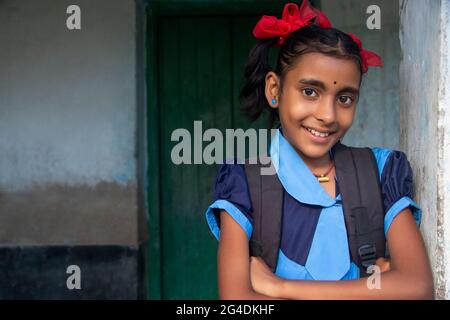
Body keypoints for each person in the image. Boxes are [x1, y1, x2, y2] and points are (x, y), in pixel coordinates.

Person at [204, 0, 433, 300]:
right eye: (310, 92)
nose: (327, 115)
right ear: (274, 90)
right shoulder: (246, 182)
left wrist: (279, 287)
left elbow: (417, 287)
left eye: (345, 98)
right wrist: (376, 291)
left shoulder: (379, 171)